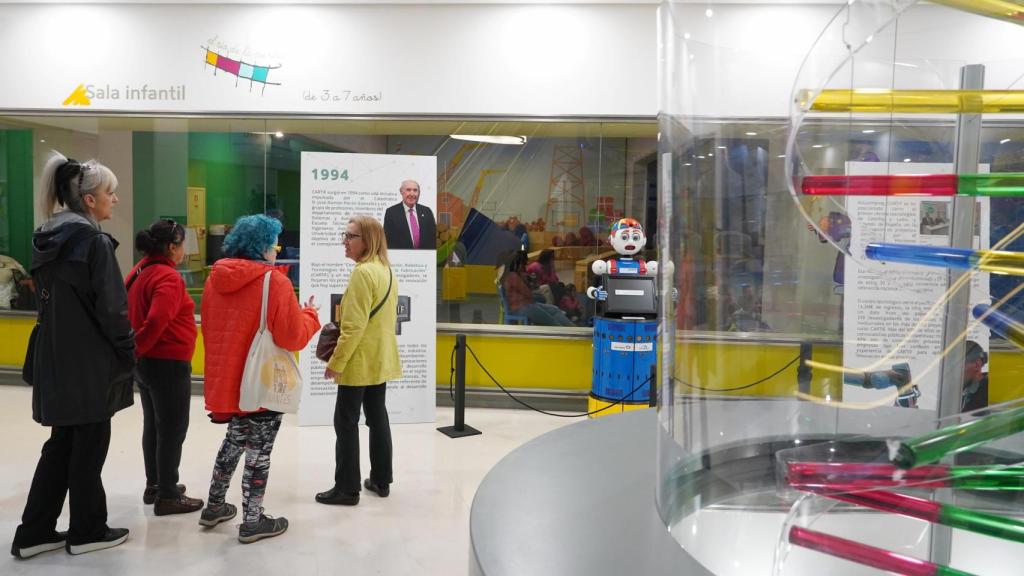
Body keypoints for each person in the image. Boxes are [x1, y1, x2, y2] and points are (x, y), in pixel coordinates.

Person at [13, 152, 135, 558]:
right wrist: (128, 351)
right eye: (109, 193)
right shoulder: (94, 242)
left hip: (55, 358)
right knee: (91, 443)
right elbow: (113, 310)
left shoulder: (46, 239)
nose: (113, 199)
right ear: (89, 200)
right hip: (89, 363)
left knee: (62, 442)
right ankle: (87, 530)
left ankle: (33, 532)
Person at [199, 214, 320, 543]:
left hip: (229, 381)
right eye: (275, 245)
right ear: (262, 247)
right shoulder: (274, 281)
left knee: (233, 441)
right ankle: (253, 521)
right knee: (259, 451)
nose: (277, 251)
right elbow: (292, 337)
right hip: (261, 382)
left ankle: (214, 506)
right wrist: (310, 315)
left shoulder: (215, 278)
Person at [316, 215, 402, 506]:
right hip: (380, 359)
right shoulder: (385, 269)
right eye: (345, 234)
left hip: (359, 360)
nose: (345, 241)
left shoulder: (363, 273)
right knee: (378, 417)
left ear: (368, 240)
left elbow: (353, 327)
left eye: (351, 236)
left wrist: (336, 362)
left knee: (346, 422)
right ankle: (381, 478)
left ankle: (347, 488)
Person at [126, 219, 203, 516]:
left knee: (154, 425)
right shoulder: (167, 277)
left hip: (147, 365)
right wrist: (138, 349)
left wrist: (135, 353)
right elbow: (157, 321)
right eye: (182, 244)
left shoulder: (140, 269)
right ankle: (168, 495)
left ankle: (155, 484)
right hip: (166, 364)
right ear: (172, 247)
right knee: (172, 429)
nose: (184, 250)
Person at [501, 250, 575, 327]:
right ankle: (568, 334)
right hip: (523, 308)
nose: (523, 265)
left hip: (528, 304)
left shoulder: (515, 275)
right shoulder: (513, 277)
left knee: (554, 309)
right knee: (552, 320)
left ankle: (574, 329)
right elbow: (529, 294)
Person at [383, 179, 437, 250]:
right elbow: (387, 241)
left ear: (419, 193)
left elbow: (433, 238)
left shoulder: (427, 211)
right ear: (401, 191)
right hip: (401, 258)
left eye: (415, 190)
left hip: (424, 258)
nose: (412, 194)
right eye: (408, 190)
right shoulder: (391, 212)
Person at [961, 340, 989, 412]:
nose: (954, 372)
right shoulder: (959, 391)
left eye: (959, 366)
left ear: (977, 365)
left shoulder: (987, 393)